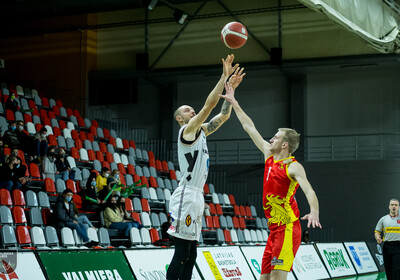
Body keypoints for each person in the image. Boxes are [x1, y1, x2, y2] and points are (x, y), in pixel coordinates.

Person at [221, 78, 322, 280]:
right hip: (274, 232)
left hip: (287, 229)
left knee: (276, 278)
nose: (271, 139)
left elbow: (309, 190)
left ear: (285, 144)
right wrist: (234, 102)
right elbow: (250, 128)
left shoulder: (293, 166)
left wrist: (314, 211)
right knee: (265, 278)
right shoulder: (268, 154)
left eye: (276, 137)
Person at [166, 54, 239, 280]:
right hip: (186, 194)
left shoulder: (201, 131)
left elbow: (223, 116)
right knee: (181, 254)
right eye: (187, 110)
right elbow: (209, 105)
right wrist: (223, 77)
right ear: (180, 119)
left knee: (192, 255)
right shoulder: (186, 131)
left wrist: (230, 95)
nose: (192, 111)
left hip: (197, 196)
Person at [374, 198, 400, 280]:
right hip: (387, 246)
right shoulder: (383, 219)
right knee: (388, 269)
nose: (394, 206)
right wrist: (378, 237)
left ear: (398, 207)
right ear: (389, 206)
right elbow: (377, 231)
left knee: (396, 269)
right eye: (392, 205)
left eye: (396, 205)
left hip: (398, 246)